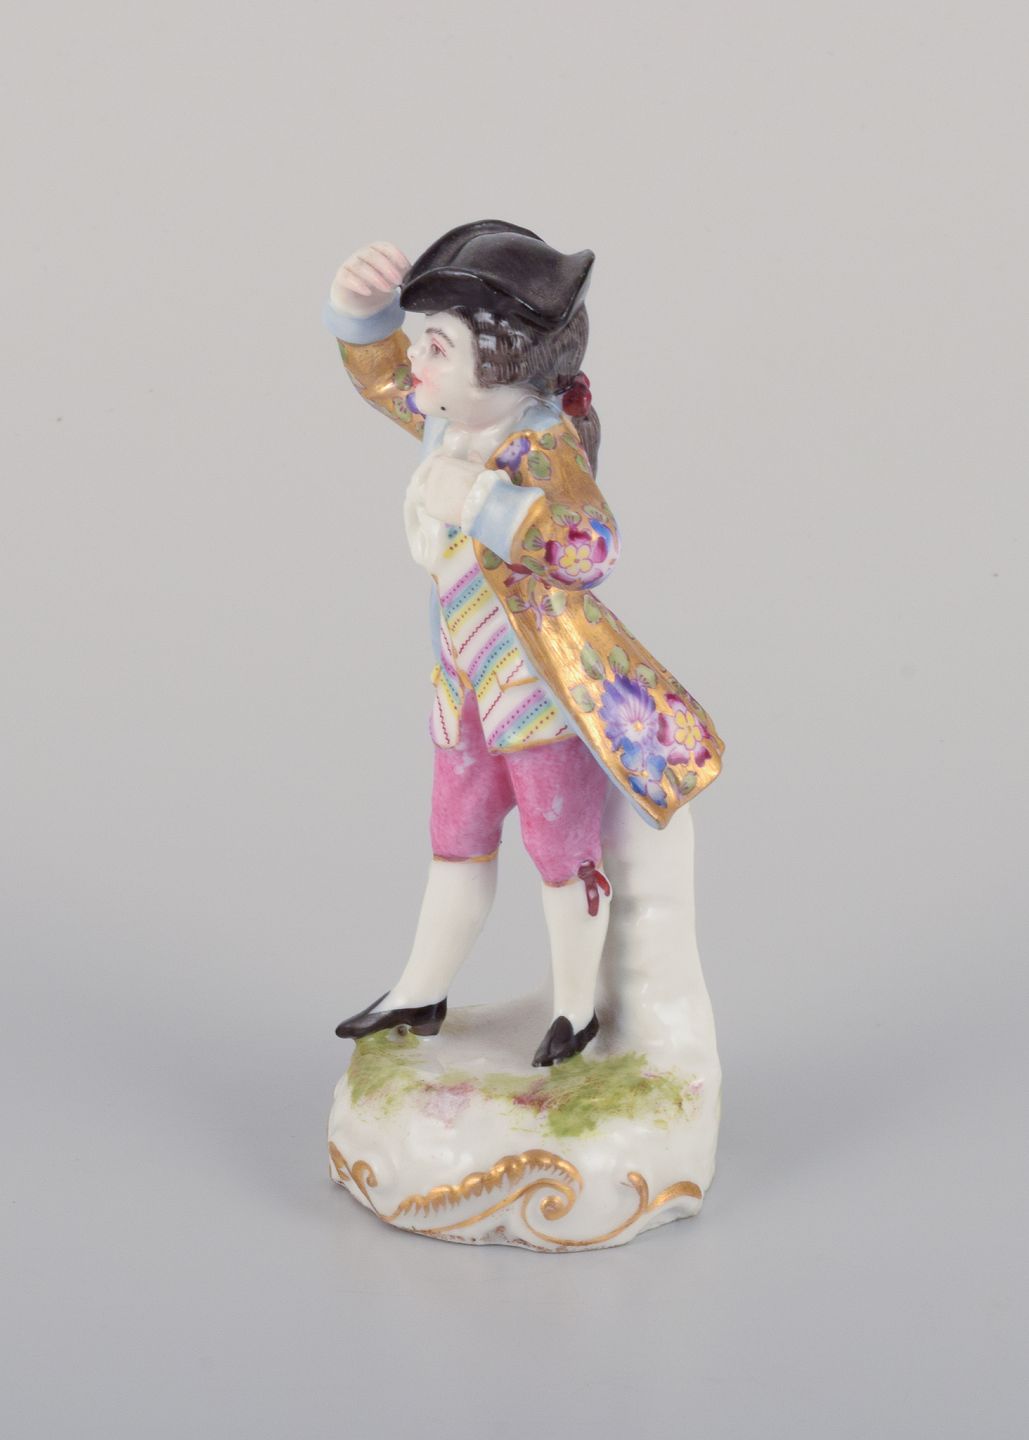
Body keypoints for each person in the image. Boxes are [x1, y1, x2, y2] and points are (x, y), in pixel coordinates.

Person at [324, 220, 723, 1066]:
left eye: (436, 346)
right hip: (465, 686)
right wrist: (357, 311)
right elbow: (384, 377)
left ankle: (574, 1008)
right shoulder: (447, 421)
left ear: (501, 364)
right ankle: (419, 988)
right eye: (421, 339)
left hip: (537, 694)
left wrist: (478, 502)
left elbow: (588, 547)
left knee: (557, 851)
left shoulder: (540, 447)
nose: (415, 358)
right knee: (454, 836)